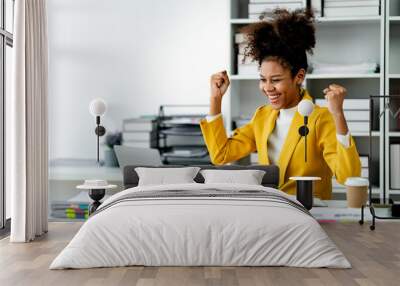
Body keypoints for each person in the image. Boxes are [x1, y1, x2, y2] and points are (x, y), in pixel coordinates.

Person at [200, 9, 361, 199]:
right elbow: (221, 154)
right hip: (272, 209)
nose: (267, 88)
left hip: (309, 213)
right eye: (263, 79)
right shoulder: (263, 116)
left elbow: (349, 176)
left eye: (275, 80)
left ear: (299, 77)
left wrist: (338, 115)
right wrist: (215, 99)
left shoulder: (320, 118)